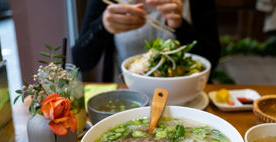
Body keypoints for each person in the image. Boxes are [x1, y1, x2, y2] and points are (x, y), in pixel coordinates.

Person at [72, 0, 221, 81]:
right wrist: (102, 26)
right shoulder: (107, 2)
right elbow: (80, 61)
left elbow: (212, 58)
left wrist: (181, 26)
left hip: (184, 92)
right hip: (128, 94)